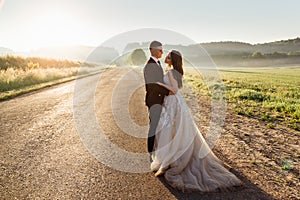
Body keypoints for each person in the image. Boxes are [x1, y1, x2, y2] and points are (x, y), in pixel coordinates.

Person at [150, 50, 243, 192]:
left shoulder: (171, 72)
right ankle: (168, 158)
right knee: (172, 130)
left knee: (171, 130)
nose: (166, 57)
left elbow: (174, 90)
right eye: (167, 55)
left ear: (173, 60)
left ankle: (170, 159)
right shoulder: (172, 71)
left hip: (173, 102)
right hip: (173, 102)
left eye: (169, 56)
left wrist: (160, 85)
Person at [143, 41, 173, 160]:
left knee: (160, 126)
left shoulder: (157, 63)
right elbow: (153, 86)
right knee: (154, 126)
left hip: (159, 100)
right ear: (154, 50)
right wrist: (168, 92)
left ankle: (158, 150)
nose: (162, 52)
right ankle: (151, 153)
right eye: (160, 50)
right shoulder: (150, 65)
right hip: (154, 101)